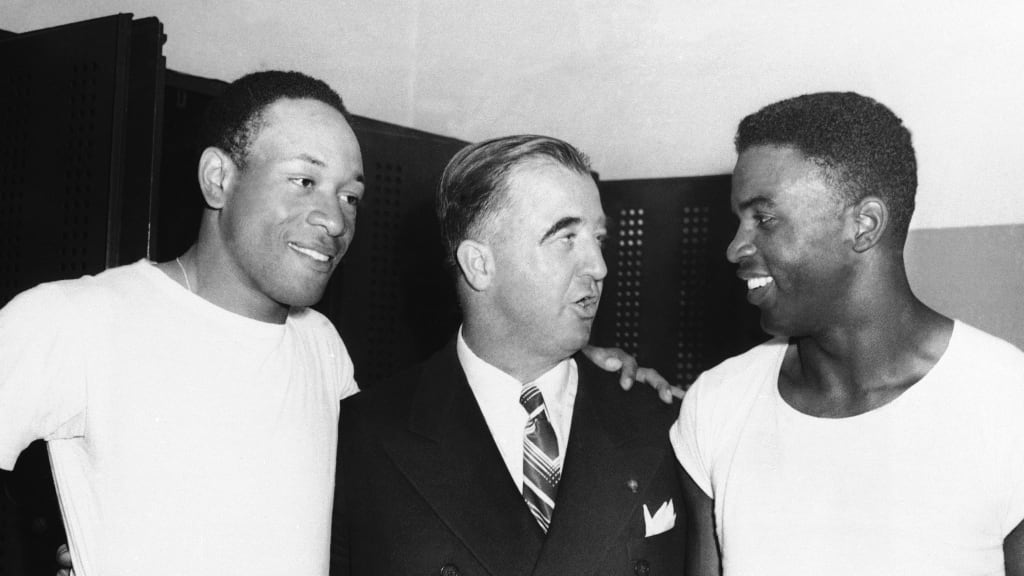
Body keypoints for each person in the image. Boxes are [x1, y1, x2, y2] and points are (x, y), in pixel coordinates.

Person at [0, 70, 365, 576]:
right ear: (219, 178)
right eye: (304, 181)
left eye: (350, 196)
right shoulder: (78, 317)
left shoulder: (322, 345)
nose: (335, 219)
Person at [670, 91, 1024, 576]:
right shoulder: (717, 405)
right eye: (740, 220)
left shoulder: (1007, 400)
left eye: (764, 218)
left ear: (864, 225)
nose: (735, 248)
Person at [331, 135, 686, 575]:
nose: (599, 266)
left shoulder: (665, 423)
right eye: (566, 237)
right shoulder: (362, 438)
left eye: (598, 238)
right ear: (479, 265)